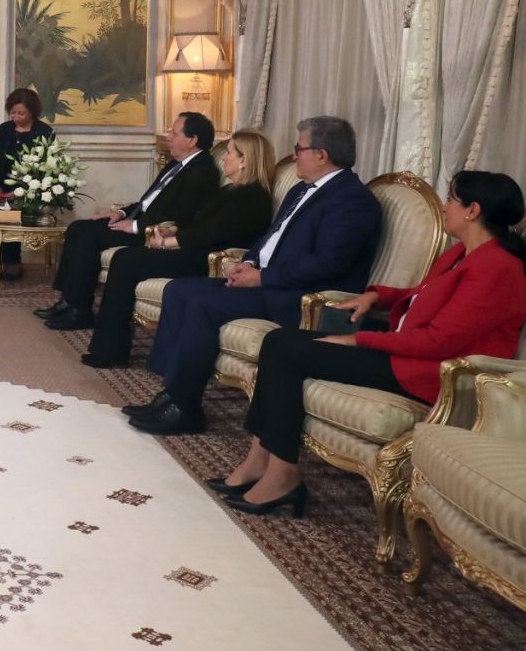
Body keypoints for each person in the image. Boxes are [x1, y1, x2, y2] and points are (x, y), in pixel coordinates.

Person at [211, 171, 526, 517]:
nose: (444, 206)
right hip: (403, 352)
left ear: (472, 210)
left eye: (451, 199)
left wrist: (357, 339)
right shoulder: (460, 254)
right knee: (277, 340)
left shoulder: (498, 268)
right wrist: (376, 296)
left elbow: (438, 341)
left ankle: (283, 475)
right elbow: (422, 296)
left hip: (426, 371)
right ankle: (259, 459)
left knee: (288, 353)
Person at [129, 116, 383, 436]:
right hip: (269, 283)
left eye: (299, 149)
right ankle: (171, 393)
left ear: (322, 154)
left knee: (203, 305)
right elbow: (270, 238)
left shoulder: (351, 200)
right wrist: (248, 262)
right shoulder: (301, 190)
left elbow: (326, 265)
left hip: (301, 297)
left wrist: (262, 278)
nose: (294, 155)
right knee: (179, 291)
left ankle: (185, 407)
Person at [80, 129, 276, 368]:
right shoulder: (230, 190)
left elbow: (213, 233)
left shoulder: (253, 197)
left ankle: (111, 350)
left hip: (206, 261)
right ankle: (110, 348)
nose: (224, 158)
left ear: (244, 160)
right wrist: (173, 231)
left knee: (126, 260)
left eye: (230, 153)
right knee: (125, 258)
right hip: (193, 252)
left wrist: (169, 243)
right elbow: (200, 223)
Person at [36, 112, 221, 330]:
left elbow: (181, 216)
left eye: (174, 132)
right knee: (77, 228)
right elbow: (148, 203)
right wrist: (121, 213)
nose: (168, 137)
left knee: (87, 235)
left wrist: (135, 226)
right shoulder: (177, 164)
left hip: (150, 233)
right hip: (138, 221)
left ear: (192, 139)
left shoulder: (202, 172)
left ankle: (79, 310)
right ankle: (68, 301)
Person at [0, 88, 54, 281]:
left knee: (14, 210)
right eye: (12, 112)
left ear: (32, 112)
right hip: (3, 187)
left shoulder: (44, 131)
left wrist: (19, 192)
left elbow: (44, 169)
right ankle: (3, 262)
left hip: (32, 190)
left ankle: (13, 262)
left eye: (21, 113)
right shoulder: (5, 129)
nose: (15, 117)